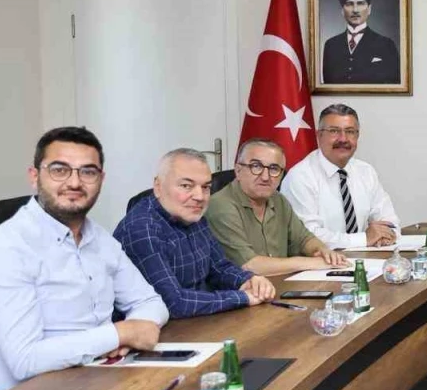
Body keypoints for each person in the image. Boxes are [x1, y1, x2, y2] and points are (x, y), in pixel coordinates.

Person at [0, 127, 169, 390]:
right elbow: (25, 360)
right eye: (59, 170)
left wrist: (132, 332)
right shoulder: (6, 248)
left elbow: (150, 302)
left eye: (88, 172)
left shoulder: (100, 239)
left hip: (87, 387)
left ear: (101, 180)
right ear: (34, 177)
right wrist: (118, 334)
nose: (74, 182)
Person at [115, 148, 277, 319]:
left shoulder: (193, 216)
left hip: (198, 320)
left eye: (206, 187)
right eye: (186, 186)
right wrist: (243, 297)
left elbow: (220, 268)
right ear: (158, 187)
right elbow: (173, 303)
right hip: (161, 329)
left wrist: (249, 280)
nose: (200, 196)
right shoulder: (141, 229)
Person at [206, 138, 351, 275]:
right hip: (239, 290)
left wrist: (323, 251)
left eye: (274, 169)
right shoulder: (220, 206)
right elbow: (249, 265)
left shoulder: (278, 199)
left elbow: (304, 239)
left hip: (280, 284)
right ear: (238, 171)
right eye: (256, 166)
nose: (265, 177)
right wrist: (312, 263)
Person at [282, 105, 400, 249]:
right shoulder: (300, 177)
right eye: (334, 131)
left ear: (357, 136)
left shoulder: (366, 171)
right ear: (319, 135)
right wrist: (364, 239)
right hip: (317, 261)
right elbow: (307, 237)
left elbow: (389, 219)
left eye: (350, 132)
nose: (343, 139)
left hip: (365, 258)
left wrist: (385, 236)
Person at [321, 0, 400, 85]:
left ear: (369, 9)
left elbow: (394, 85)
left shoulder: (386, 45)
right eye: (349, 4)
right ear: (342, 10)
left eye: (360, 3)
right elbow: (328, 86)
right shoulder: (331, 46)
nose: (355, 10)